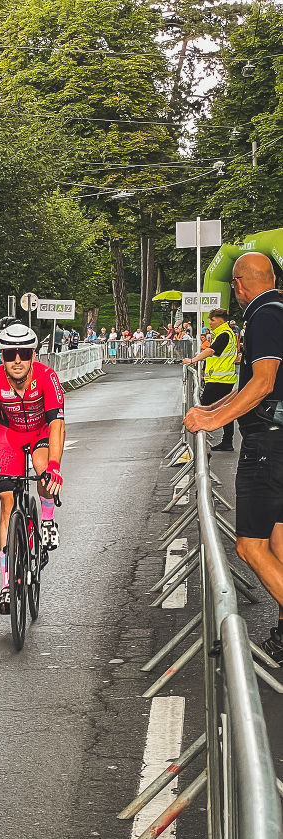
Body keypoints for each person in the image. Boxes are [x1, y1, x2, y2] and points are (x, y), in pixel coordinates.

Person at [183, 252, 283, 660]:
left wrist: (212, 420)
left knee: (250, 548)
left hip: (267, 446)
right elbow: (251, 386)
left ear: (240, 285)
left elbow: (262, 384)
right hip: (276, 441)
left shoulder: (263, 314)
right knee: (277, 544)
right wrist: (213, 410)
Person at [0, 322, 65, 615]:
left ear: (33, 354)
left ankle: (47, 517)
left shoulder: (48, 377)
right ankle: (8, 583)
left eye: (24, 353)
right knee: (6, 501)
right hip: (10, 436)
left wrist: (55, 467)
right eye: (11, 354)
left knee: (41, 468)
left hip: (41, 432)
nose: (18, 360)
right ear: (2, 355)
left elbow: (58, 425)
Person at [182, 307, 238, 451]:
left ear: (221, 320)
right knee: (224, 409)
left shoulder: (224, 334)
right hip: (222, 379)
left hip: (220, 380)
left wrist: (193, 360)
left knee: (202, 406)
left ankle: (199, 443)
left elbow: (211, 350)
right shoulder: (224, 333)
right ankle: (226, 441)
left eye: (212, 320)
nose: (210, 323)